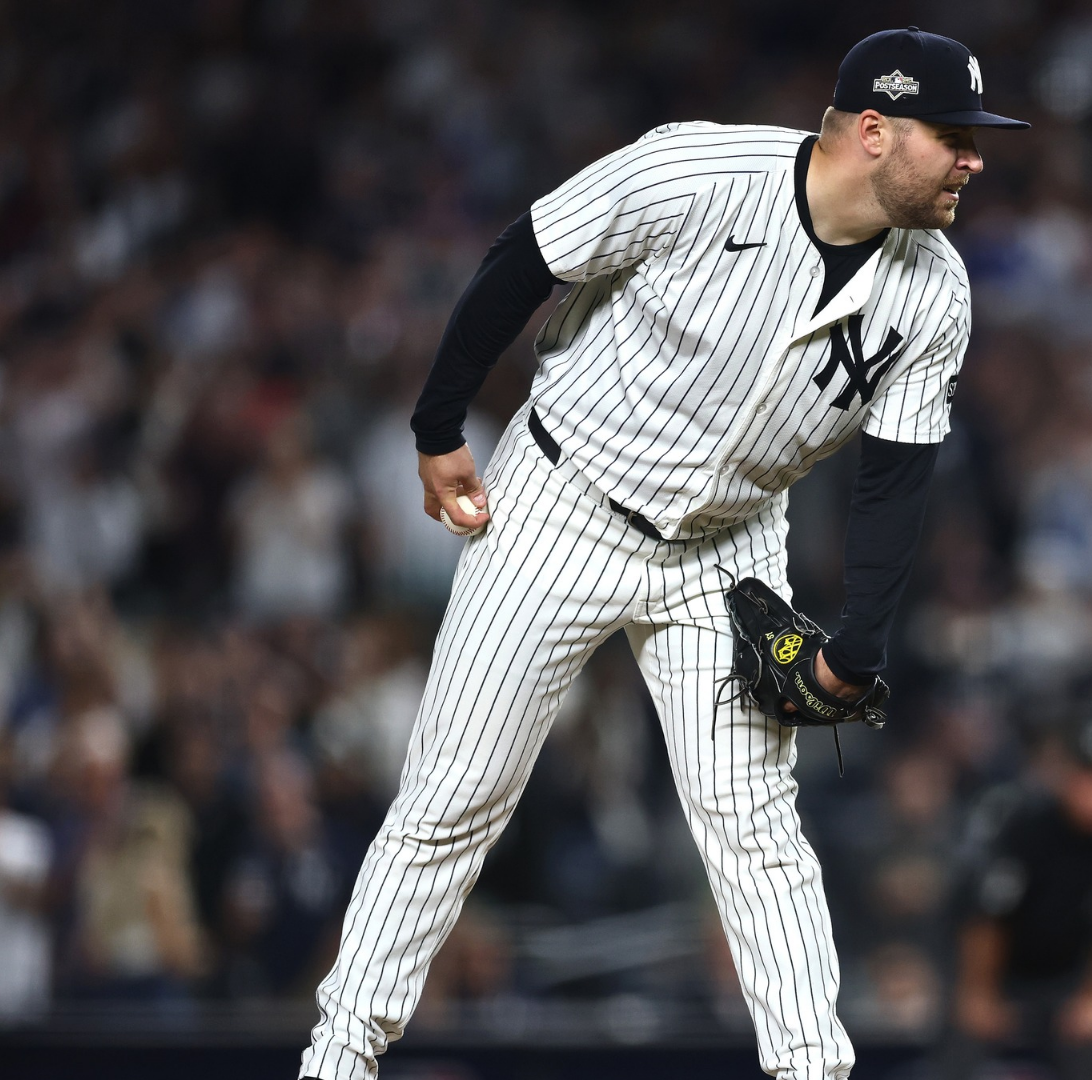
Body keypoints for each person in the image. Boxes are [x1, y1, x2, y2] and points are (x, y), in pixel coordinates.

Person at [299, 28, 1028, 1080]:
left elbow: (895, 479)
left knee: (755, 828)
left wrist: (860, 647)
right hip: (563, 506)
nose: (974, 158)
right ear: (874, 131)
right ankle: (340, 1055)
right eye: (953, 135)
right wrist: (438, 426)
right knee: (453, 799)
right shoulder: (696, 169)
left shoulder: (936, 290)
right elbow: (527, 255)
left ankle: (813, 1070)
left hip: (723, 552)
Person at [940, 713, 1092, 1080]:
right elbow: (986, 919)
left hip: (1071, 978)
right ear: (1068, 775)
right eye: (1089, 775)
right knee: (960, 1046)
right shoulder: (1028, 828)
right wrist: (980, 993)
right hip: (1003, 973)